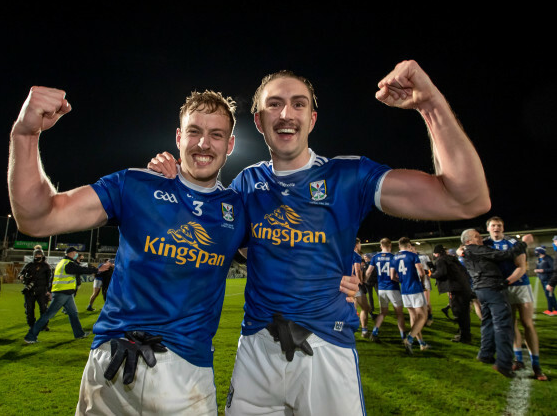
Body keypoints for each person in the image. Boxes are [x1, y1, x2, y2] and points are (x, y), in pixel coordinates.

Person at [150, 60, 491, 414]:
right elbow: (211, 240)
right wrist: (171, 182)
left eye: (299, 104)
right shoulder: (246, 185)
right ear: (259, 121)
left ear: (312, 118)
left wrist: (429, 104)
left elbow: (467, 198)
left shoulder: (348, 175)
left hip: (326, 347)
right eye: (274, 104)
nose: (286, 113)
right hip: (256, 351)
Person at [8, 87, 260, 414]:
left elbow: (286, 265)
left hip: (185, 374)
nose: (203, 143)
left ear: (230, 145)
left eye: (216, 135)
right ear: (178, 136)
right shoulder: (136, 184)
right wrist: (25, 134)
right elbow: (37, 218)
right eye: (195, 132)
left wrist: (345, 274)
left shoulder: (237, 209)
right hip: (111, 365)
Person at [459, 229, 531, 378]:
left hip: (481, 290)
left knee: (488, 322)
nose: (480, 238)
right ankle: (504, 364)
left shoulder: (468, 250)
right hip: (492, 288)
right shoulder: (476, 249)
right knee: (503, 324)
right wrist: (524, 243)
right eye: (476, 236)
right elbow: (505, 255)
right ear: (468, 241)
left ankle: (485, 354)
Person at [483, 216, 546, 380]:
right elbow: (465, 249)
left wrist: (507, 281)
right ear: (488, 228)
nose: (496, 228)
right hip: (502, 289)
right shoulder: (484, 244)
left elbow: (522, 267)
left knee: (527, 323)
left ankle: (536, 365)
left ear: (503, 228)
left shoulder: (513, 243)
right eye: (493, 225)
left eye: (499, 225)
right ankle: (518, 360)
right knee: (510, 325)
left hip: (520, 286)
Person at [24, 247, 103, 344]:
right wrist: (97, 270)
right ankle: (30, 336)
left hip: (66, 293)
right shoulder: (68, 264)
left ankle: (79, 334)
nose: (76, 255)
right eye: (75, 253)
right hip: (62, 293)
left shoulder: (63, 262)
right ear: (71, 253)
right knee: (48, 315)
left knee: (73, 314)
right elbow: (80, 269)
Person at [391, 237, 429, 354]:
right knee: (423, 316)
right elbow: (421, 272)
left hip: (405, 290)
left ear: (399, 246)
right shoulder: (413, 255)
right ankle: (409, 339)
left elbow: (392, 276)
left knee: (413, 317)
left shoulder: (395, 257)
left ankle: (422, 343)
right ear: (409, 245)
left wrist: (402, 281)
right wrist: (422, 283)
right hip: (415, 289)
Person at [365, 238, 405, 343]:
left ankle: (374, 332)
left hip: (381, 288)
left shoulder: (375, 257)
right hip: (393, 287)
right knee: (399, 314)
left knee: (383, 313)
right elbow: (397, 273)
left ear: (380, 246)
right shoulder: (394, 257)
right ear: (390, 245)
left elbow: (368, 272)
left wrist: (364, 281)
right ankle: (403, 337)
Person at [431, 244, 472, 343]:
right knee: (464, 313)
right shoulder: (451, 258)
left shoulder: (441, 260)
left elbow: (441, 273)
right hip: (464, 287)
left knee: (459, 313)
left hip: (456, 289)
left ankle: (464, 337)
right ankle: (465, 335)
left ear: (436, 254)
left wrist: (430, 273)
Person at [18, 245, 52, 330]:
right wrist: (21, 276)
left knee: (43, 309)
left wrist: (49, 291)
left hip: (42, 291)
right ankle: (31, 325)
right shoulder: (29, 265)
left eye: (39, 255)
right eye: (36, 255)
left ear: (42, 255)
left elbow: (50, 280)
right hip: (29, 291)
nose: (37, 256)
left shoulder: (46, 266)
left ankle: (44, 325)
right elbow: (20, 274)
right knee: (29, 309)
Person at [353, 238, 371, 337]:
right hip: (355, 285)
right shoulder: (356, 255)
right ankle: (364, 331)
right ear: (356, 245)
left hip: (344, 285)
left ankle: (338, 329)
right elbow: (357, 270)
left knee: (346, 310)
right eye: (360, 244)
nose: (360, 246)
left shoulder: (344, 255)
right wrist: (361, 282)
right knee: (365, 308)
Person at [534, 246, 556, 315]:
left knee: (550, 294)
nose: (535, 253)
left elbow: (553, 269)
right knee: (548, 295)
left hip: (549, 279)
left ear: (540, 252)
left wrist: (543, 270)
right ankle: (550, 309)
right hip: (543, 279)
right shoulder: (539, 259)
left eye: (537, 251)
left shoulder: (548, 258)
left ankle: (554, 309)